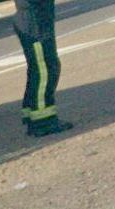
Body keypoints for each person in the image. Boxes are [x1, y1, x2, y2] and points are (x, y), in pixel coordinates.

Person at [14, 0, 72, 137]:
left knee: (41, 68)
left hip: (36, 20)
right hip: (34, 23)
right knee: (44, 70)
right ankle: (43, 121)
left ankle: (32, 115)